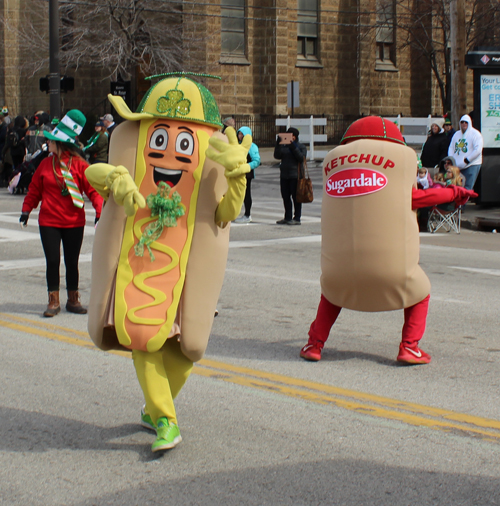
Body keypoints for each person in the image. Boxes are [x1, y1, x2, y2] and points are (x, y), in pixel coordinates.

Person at [85, 74, 250, 453]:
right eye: (160, 140)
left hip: (185, 272)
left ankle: (152, 408)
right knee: (143, 338)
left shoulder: (206, 180)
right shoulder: (130, 164)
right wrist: (114, 179)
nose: (168, 154)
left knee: (183, 352)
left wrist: (238, 176)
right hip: (138, 265)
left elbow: (226, 213)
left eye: (183, 143)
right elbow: (94, 175)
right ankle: (165, 419)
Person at [299, 116, 477, 365]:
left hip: (336, 271)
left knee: (332, 291)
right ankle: (409, 346)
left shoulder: (332, 162)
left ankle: (314, 344)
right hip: (389, 272)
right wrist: (456, 191)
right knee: (419, 290)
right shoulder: (399, 160)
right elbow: (421, 198)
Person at [19, 110, 103, 318]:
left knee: (72, 261)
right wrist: (26, 210)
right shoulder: (46, 165)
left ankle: (73, 299)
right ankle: (53, 300)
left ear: (60, 144)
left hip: (74, 222)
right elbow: (34, 190)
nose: (49, 144)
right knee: (53, 260)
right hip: (49, 221)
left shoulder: (81, 166)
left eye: (52, 142)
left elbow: (93, 191)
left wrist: (99, 212)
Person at [274, 127, 307, 225]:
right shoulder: (284, 146)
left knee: (296, 198)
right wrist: (278, 144)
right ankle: (287, 217)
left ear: (294, 136)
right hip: (284, 175)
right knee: (285, 197)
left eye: (289, 135)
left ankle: (297, 218)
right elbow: (277, 156)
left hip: (295, 175)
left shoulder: (301, 146)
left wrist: (293, 145)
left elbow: (301, 158)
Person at [448, 114, 483, 191]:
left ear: (469, 123)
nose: (464, 124)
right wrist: (451, 158)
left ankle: (463, 203)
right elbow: (451, 147)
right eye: (462, 122)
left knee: (467, 187)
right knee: (457, 186)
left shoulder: (476, 134)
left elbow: (478, 149)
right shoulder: (456, 134)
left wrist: (468, 159)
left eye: (466, 122)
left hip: (471, 164)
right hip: (457, 166)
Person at [234, 126, 260, 223]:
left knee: (246, 194)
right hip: (237, 173)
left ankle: (247, 214)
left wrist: (246, 167)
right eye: (239, 134)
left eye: (242, 134)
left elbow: (257, 160)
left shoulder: (252, 146)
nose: (240, 136)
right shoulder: (237, 145)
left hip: (246, 174)